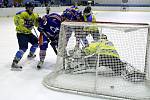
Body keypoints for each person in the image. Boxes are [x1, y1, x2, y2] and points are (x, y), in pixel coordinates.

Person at [11, 1, 39, 71]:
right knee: (23, 48)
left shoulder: (34, 15)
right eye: (30, 7)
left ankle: (31, 54)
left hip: (28, 33)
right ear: (26, 8)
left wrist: (38, 21)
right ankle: (14, 63)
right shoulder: (21, 14)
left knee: (36, 42)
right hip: (21, 33)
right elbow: (17, 23)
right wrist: (25, 25)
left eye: (32, 7)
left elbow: (36, 25)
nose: (31, 9)